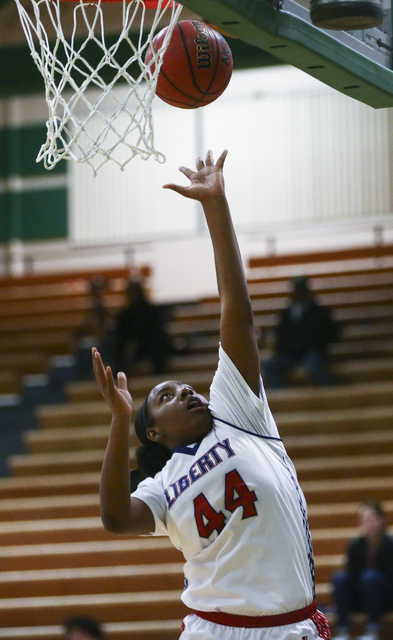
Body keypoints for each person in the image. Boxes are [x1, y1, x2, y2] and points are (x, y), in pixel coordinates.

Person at [92, 149, 331, 640]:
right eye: (167, 395)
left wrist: (215, 207)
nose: (187, 393)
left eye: (187, 388)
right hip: (213, 630)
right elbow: (116, 518)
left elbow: (236, 309)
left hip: (287, 627)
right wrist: (118, 421)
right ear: (154, 431)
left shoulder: (238, 411)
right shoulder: (161, 486)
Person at [332, 501, 393, 640]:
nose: (367, 524)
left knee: (369, 577)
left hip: (388, 598)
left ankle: (372, 630)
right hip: (362, 596)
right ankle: (342, 630)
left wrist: (372, 580)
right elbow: (351, 575)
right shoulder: (355, 545)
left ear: (381, 520)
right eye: (363, 520)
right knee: (339, 578)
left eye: (371, 520)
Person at [262, 275, 340, 388]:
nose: (298, 292)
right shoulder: (287, 313)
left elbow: (332, 334)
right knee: (270, 366)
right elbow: (280, 335)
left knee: (315, 367)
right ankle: (279, 400)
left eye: (300, 289)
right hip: (290, 353)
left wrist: (317, 345)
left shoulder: (319, 312)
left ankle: (332, 394)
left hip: (312, 352)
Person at [110, 279, 173, 376]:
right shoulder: (125, 315)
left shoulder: (152, 311)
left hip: (151, 347)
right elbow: (121, 338)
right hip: (136, 349)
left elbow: (159, 333)